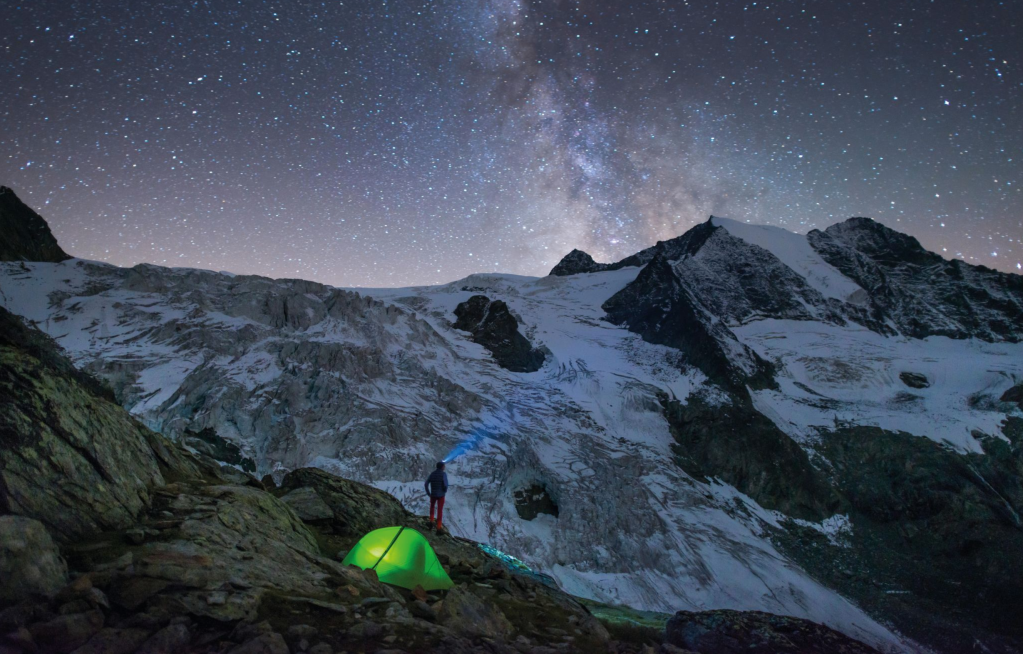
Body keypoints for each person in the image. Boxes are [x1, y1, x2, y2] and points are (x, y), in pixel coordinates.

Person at [424, 461, 448, 531]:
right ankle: (438, 527)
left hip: (433, 494)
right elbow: (445, 485)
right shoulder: (443, 474)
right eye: (444, 466)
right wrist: (444, 490)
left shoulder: (432, 474)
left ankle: (431, 521)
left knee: (432, 507)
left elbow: (426, 484)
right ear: (442, 467)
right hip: (441, 495)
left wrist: (429, 493)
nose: (444, 467)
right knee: (440, 510)